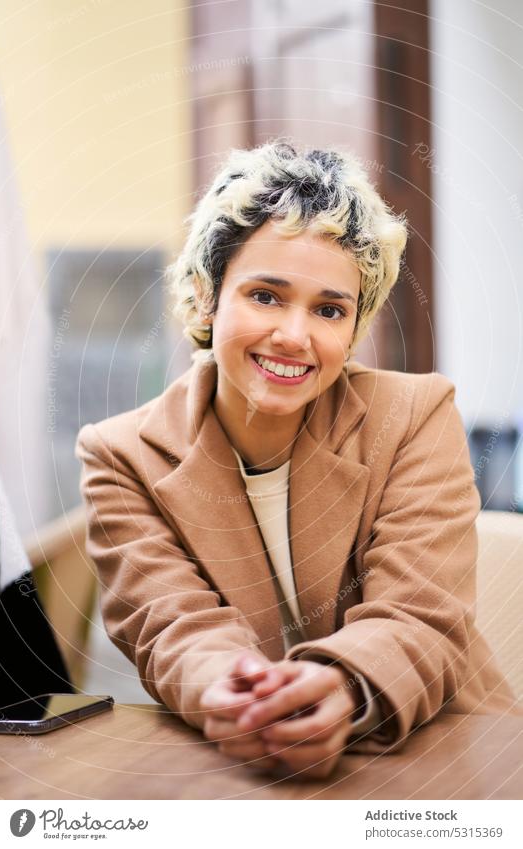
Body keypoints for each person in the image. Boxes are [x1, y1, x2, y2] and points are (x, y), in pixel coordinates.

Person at [76, 140, 521, 781]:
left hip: (440, 760)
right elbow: (172, 625)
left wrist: (335, 686)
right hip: (243, 770)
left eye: (330, 310)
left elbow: (419, 615)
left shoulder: (416, 414)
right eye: (265, 295)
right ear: (206, 296)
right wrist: (239, 693)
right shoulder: (121, 455)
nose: (295, 335)